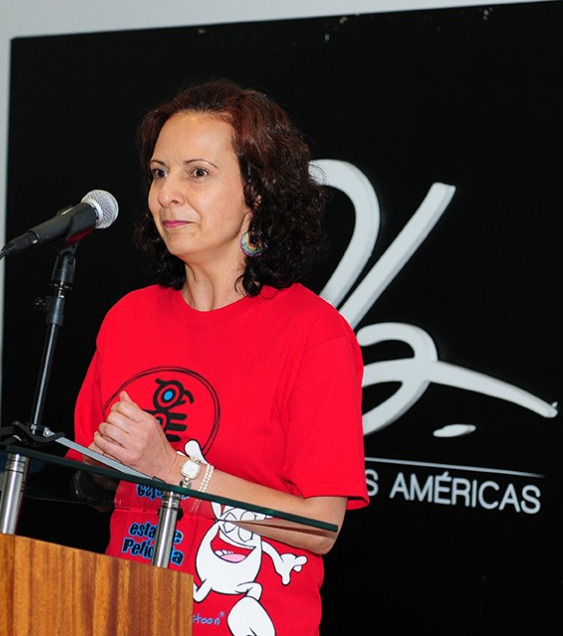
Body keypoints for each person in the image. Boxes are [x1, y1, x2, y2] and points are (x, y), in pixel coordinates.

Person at [71, 78, 368, 635]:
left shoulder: (313, 334)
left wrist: (176, 471)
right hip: (127, 614)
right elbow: (93, 476)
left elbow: (320, 527)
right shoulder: (128, 319)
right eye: (159, 172)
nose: (167, 193)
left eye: (197, 173)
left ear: (258, 192)